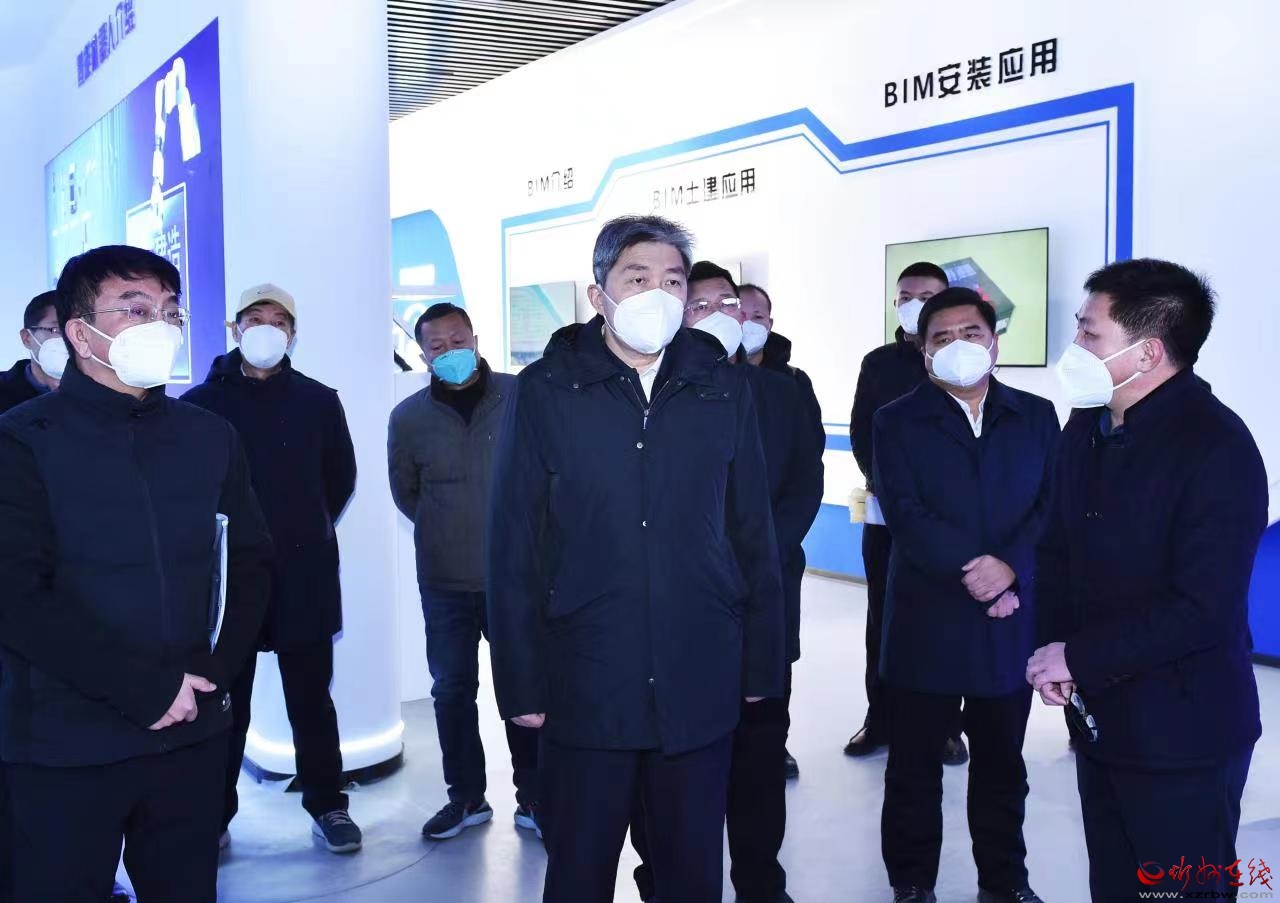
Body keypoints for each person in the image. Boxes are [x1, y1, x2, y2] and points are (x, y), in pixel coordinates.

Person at [487, 216, 785, 903]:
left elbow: (752, 533)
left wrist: (761, 664)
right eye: (638, 277)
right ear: (600, 295)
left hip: (697, 674)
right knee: (579, 872)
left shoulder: (722, 388)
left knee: (689, 875)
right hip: (587, 678)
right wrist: (520, 684)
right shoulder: (546, 389)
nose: (659, 293)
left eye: (673, 281)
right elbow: (513, 543)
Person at [0, 245, 272, 902]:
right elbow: (16, 595)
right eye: (135, 309)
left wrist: (213, 673)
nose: (161, 324)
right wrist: (141, 689)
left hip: (190, 732)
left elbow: (250, 562)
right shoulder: (20, 440)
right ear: (78, 333)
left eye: (170, 310)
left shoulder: (208, 435)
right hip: (65, 743)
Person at [1028, 259, 1267, 903]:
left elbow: (1202, 608)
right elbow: (1057, 550)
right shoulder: (1088, 424)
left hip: (1183, 734)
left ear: (1148, 352)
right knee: (1115, 883)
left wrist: (1079, 656)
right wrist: (1055, 651)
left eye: (1090, 333)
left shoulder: (1216, 448)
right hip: (1100, 717)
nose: (1075, 346)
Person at [629, 262, 823, 903]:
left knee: (760, 753)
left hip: (765, 600)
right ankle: (663, 878)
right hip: (682, 611)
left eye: (729, 302)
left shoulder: (782, 393)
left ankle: (761, 883)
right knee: (668, 760)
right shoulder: (653, 397)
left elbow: (804, 484)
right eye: (701, 303)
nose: (719, 315)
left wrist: (756, 556)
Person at [875, 288, 1056, 903]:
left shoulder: (1035, 416)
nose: (958, 345)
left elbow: (1049, 506)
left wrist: (1011, 569)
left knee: (1003, 765)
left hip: (1009, 619)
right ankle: (911, 883)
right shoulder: (896, 420)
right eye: (942, 338)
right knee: (913, 768)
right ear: (924, 352)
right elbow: (907, 514)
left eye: (971, 333)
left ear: (994, 342)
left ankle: (1005, 883)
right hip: (927, 619)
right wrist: (981, 574)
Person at [182, 283, 361, 855]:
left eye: (279, 320)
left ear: (292, 333)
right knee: (225, 703)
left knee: (311, 700)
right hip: (229, 579)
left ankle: (328, 804)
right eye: (255, 317)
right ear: (235, 329)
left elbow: (339, 479)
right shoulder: (200, 404)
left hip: (303, 573)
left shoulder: (318, 400)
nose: (267, 328)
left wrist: (301, 527)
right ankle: (212, 814)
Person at [387, 302, 539, 841]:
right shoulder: (408, 418)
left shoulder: (521, 397)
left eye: (458, 340)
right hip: (445, 581)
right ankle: (466, 798)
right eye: (437, 346)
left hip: (516, 578)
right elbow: (407, 493)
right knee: (451, 691)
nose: (449, 352)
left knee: (524, 692)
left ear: (475, 338)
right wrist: (447, 525)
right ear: (422, 354)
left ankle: (536, 800)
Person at [846, 263, 968, 766]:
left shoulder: (963, 361)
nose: (915, 304)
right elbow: (862, 433)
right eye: (905, 296)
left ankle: (947, 728)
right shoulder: (879, 363)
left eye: (927, 294)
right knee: (884, 618)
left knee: (947, 620)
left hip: (949, 521)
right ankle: (880, 719)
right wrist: (894, 492)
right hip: (888, 518)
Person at [738, 281, 825, 780]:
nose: (744, 322)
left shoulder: (791, 384)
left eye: (756, 315)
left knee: (774, 656)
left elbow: (806, 466)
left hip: (777, 551)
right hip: (712, 561)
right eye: (736, 311)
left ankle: (775, 744)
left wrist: (773, 542)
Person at [0, 291, 67, 413]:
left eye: (77, 329)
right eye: (56, 330)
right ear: (27, 338)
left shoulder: (98, 390)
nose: (69, 338)